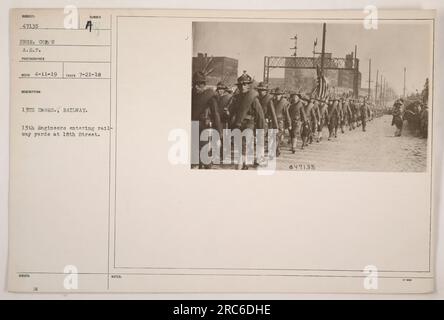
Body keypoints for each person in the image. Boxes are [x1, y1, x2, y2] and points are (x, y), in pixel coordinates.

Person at [230, 72, 265, 169]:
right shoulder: (236, 98)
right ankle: (244, 163)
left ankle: (240, 165)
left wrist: (262, 129)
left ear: (248, 85)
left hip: (249, 124)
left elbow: (260, 114)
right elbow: (232, 111)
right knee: (239, 145)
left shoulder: (253, 99)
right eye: (240, 85)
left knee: (244, 143)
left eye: (244, 84)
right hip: (238, 124)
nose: (242, 86)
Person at [191, 71, 222, 169]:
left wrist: (219, 131)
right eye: (194, 84)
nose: (196, 86)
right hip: (194, 126)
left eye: (199, 84)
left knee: (205, 155)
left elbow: (216, 114)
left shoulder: (209, 96)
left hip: (205, 127)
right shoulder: (192, 95)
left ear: (203, 84)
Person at [272, 87, 291, 157]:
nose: (277, 96)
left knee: (278, 136)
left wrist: (289, 123)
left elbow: (287, 113)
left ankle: (277, 149)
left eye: (279, 94)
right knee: (273, 136)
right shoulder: (272, 102)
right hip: (272, 121)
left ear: (281, 95)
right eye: (276, 94)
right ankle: (276, 149)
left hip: (280, 121)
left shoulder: (284, 103)